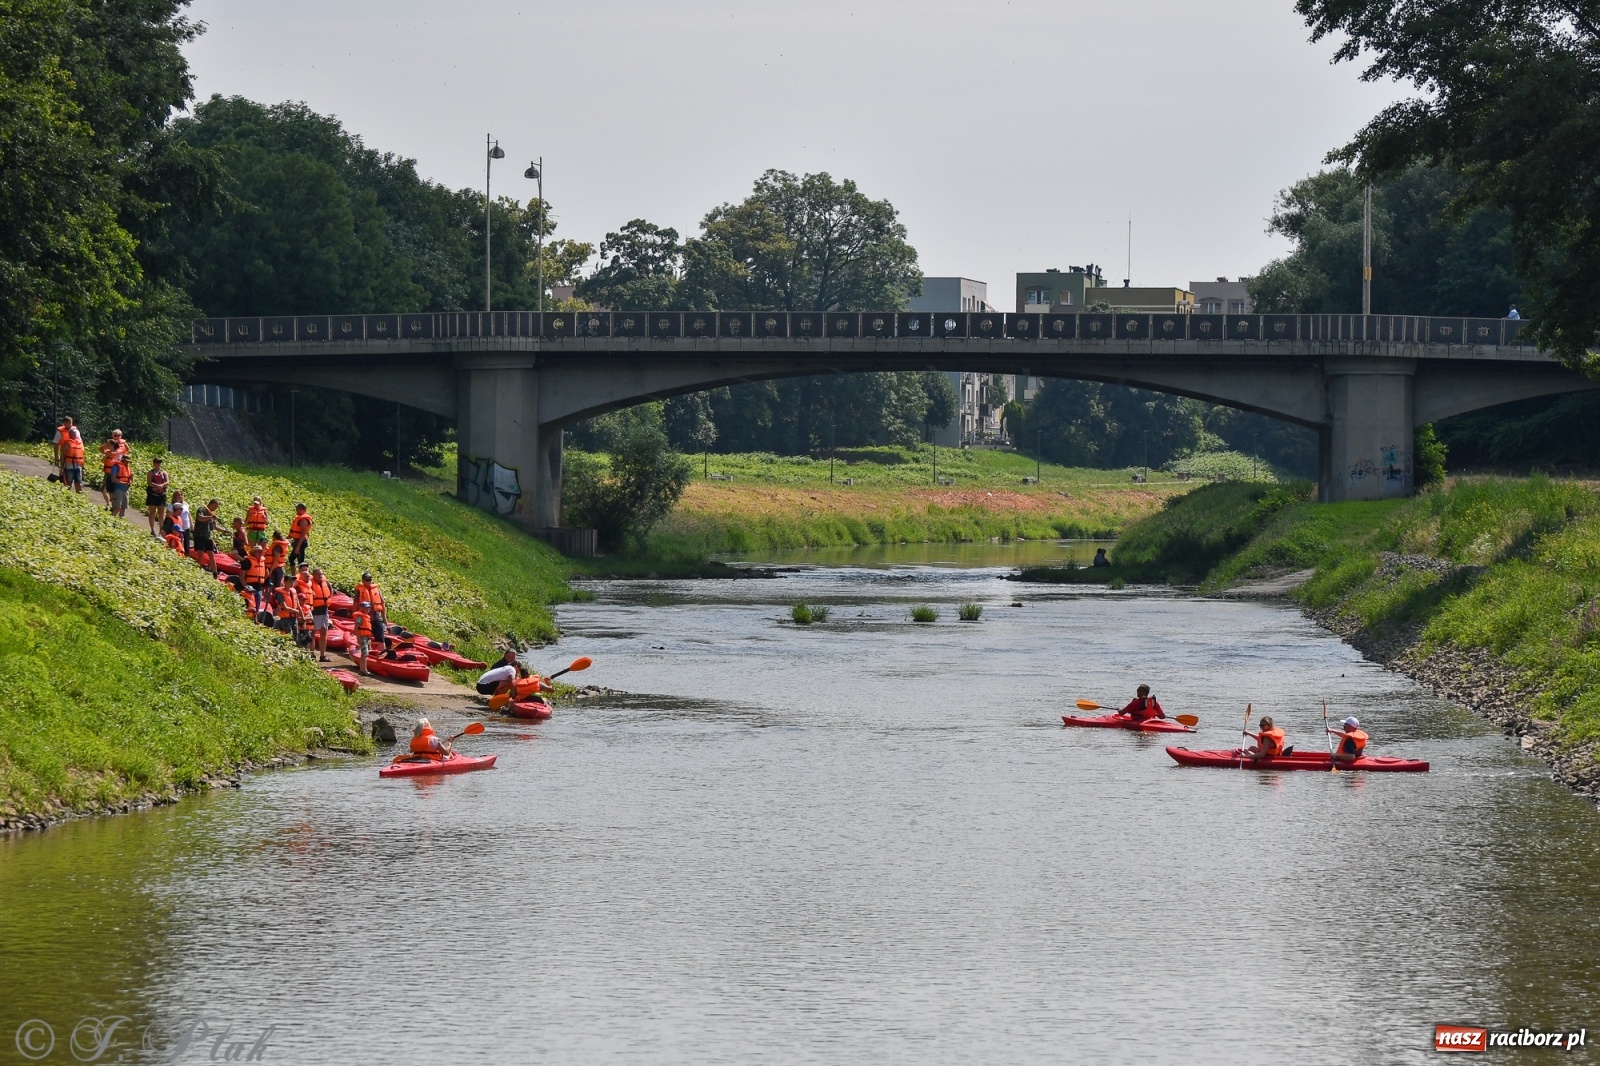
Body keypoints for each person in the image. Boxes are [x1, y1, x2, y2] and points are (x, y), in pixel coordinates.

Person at [355, 571, 390, 650]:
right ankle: (367, 654)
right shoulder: (359, 591)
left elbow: (382, 603)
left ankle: (382, 655)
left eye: (370, 579)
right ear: (363, 581)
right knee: (367, 637)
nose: (369, 581)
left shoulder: (376, 590)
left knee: (381, 638)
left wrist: (384, 618)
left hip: (376, 617)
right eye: (367, 580)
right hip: (365, 618)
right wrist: (356, 618)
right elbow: (355, 605)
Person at [306, 566, 334, 661]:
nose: (320, 576)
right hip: (315, 611)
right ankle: (312, 654)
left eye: (321, 574)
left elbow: (330, 592)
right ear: (313, 575)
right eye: (318, 574)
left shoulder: (325, 583)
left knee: (324, 632)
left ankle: (322, 655)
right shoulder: (310, 584)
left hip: (324, 610)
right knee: (313, 633)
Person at [99, 430, 129, 508]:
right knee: (105, 489)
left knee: (112, 490)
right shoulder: (109, 445)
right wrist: (107, 448)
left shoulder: (122, 445)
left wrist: (114, 453)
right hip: (108, 471)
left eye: (118, 435)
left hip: (116, 471)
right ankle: (109, 504)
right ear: (112, 436)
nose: (117, 437)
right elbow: (101, 449)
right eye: (115, 435)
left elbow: (126, 451)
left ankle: (112, 504)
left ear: (121, 436)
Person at [192, 498, 220, 574]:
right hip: (199, 535)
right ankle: (198, 571)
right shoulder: (202, 509)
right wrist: (210, 517)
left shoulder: (211, 514)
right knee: (200, 553)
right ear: (212, 504)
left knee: (211, 554)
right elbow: (199, 518)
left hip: (207, 536)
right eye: (216, 506)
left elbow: (214, 527)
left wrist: (225, 530)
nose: (215, 508)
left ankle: (215, 573)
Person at [145, 457, 170, 536]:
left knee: (161, 513)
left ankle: (161, 530)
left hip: (161, 495)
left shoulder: (164, 472)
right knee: (152, 512)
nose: (158, 464)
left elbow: (167, 481)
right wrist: (156, 485)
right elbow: (149, 482)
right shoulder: (151, 472)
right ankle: (152, 530)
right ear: (154, 463)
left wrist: (162, 485)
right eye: (157, 462)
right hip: (152, 494)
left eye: (159, 462)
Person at [244, 541, 270, 617]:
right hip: (249, 587)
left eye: (260, 552)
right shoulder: (247, 561)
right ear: (253, 553)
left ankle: (255, 619)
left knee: (257, 604)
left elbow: (267, 572)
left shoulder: (262, 561)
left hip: (258, 587)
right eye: (258, 552)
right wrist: (245, 586)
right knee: (249, 605)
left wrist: (262, 581)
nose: (260, 554)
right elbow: (242, 576)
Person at [58, 422, 85, 494]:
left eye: (75, 434)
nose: (74, 435)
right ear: (70, 435)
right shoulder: (67, 444)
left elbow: (82, 456)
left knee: (78, 484)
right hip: (69, 467)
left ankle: (79, 499)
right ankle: (66, 497)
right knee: (68, 484)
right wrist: (62, 468)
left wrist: (83, 467)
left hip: (78, 467)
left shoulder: (80, 444)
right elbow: (63, 456)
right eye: (72, 434)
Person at [351, 600, 375, 674]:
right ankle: (364, 670)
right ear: (361, 608)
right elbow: (356, 628)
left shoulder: (366, 617)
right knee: (365, 654)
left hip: (366, 637)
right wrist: (358, 638)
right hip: (362, 637)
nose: (368, 610)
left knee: (364, 654)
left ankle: (363, 669)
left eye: (368, 608)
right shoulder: (360, 617)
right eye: (366, 608)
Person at [106, 450, 132, 518]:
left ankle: (120, 522)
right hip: (118, 489)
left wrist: (130, 481)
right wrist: (121, 483)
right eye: (127, 461)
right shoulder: (116, 466)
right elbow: (113, 478)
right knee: (117, 508)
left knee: (123, 508)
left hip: (126, 490)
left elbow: (130, 478)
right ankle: (110, 520)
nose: (128, 463)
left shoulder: (128, 468)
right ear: (123, 460)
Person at [288, 503, 313, 568]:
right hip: (298, 541)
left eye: (297, 509)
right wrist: (286, 537)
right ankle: (295, 575)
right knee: (292, 559)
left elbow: (302, 534)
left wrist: (298, 547)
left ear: (302, 510)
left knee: (300, 561)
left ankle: (301, 575)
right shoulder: (299, 518)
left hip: (301, 542)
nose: (296, 510)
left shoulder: (303, 520)